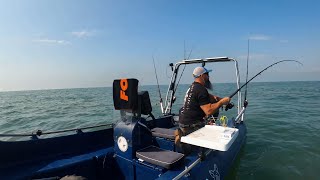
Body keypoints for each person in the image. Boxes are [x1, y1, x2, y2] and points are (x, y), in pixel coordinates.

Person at [175, 66, 231, 153]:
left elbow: (212, 97)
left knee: (213, 106)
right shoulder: (201, 89)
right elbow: (208, 111)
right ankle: (200, 147)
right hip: (192, 126)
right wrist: (221, 103)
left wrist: (222, 100)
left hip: (183, 123)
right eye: (207, 74)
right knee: (214, 111)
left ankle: (181, 134)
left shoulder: (193, 87)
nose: (208, 77)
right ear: (202, 76)